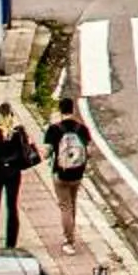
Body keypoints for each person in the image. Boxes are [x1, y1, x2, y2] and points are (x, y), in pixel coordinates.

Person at [0, 102, 37, 248]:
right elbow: (26, 149)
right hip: (13, 172)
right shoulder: (19, 131)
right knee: (12, 205)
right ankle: (11, 240)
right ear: (11, 114)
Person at [43, 98, 93, 254]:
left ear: (60, 110)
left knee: (65, 206)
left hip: (61, 173)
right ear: (73, 110)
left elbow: (46, 153)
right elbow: (89, 152)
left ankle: (69, 241)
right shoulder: (82, 129)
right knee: (72, 203)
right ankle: (72, 233)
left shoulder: (54, 129)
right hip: (77, 174)